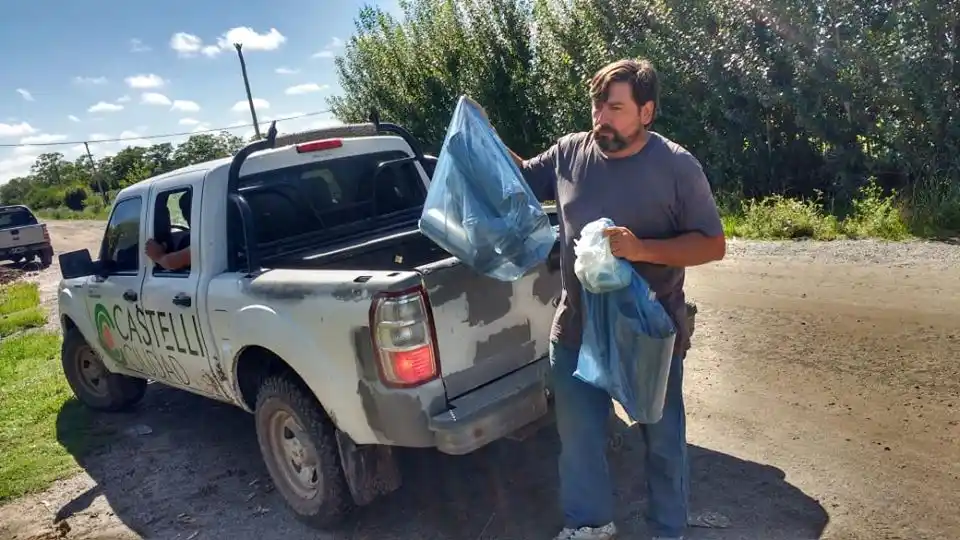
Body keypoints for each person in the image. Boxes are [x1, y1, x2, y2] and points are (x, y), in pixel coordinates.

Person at [477, 58, 726, 540]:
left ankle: (668, 529)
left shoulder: (676, 166)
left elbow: (712, 244)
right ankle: (589, 525)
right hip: (576, 329)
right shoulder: (571, 153)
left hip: (647, 333)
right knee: (580, 440)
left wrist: (641, 249)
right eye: (597, 105)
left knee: (662, 441)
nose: (601, 118)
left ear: (646, 112)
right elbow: (524, 179)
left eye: (615, 107)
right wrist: (485, 137)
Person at [145, 191, 192, 271]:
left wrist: (158, 256)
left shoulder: (198, 239)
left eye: (187, 211)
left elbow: (174, 262)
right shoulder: (189, 239)